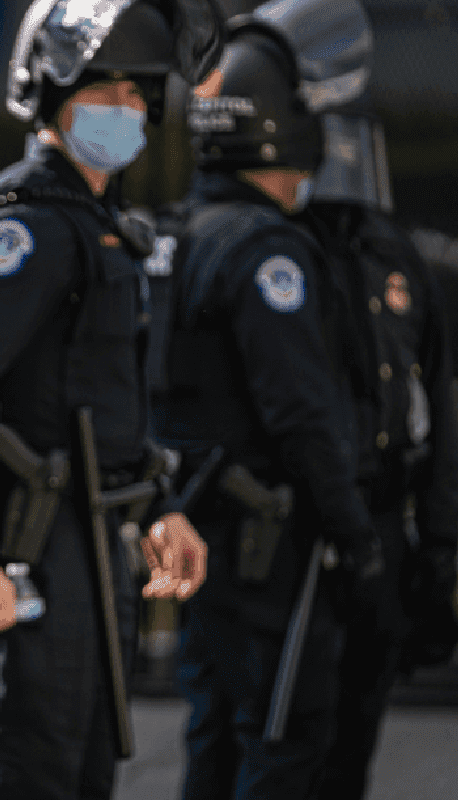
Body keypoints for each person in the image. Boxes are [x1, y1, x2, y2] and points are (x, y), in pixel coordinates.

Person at [0, 2, 225, 798]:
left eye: (136, 94)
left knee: (84, 772)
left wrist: (161, 507)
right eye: (101, 90)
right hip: (38, 544)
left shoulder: (102, 228)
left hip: (101, 543)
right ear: (51, 95)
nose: (123, 111)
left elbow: (104, 400)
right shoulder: (32, 229)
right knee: (36, 772)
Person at [147, 1, 388, 796]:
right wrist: (357, 535)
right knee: (284, 738)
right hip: (268, 550)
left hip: (201, 532)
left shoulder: (181, 232)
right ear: (282, 126)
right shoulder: (268, 251)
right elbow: (302, 413)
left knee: (213, 737)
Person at [300, 105, 458, 799]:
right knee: (290, 727)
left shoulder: (396, 256)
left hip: (387, 513)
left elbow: (438, 402)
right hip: (305, 525)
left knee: (360, 714)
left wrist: (441, 542)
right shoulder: (280, 250)